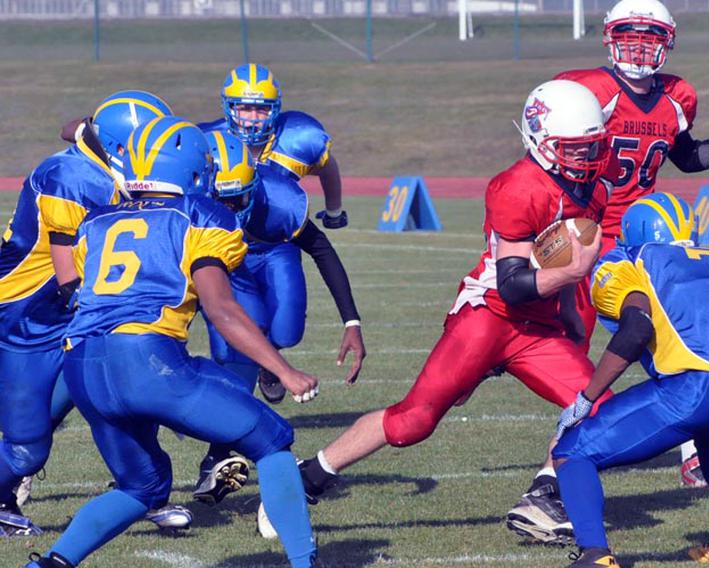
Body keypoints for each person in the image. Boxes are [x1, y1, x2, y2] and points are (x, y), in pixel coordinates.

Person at [266, 79, 613, 545]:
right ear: (539, 140)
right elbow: (512, 286)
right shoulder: (517, 187)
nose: (587, 161)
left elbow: (553, 265)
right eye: (575, 150)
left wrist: (569, 309)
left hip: (539, 325)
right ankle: (309, 475)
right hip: (489, 318)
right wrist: (571, 278)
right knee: (413, 422)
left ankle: (544, 495)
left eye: (592, 148)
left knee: (600, 408)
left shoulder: (595, 190)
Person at [23, 117, 323, 568]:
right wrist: (282, 370)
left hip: (83, 366)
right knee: (272, 440)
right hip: (146, 361)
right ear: (190, 170)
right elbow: (221, 310)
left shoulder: (97, 219)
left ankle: (47, 565)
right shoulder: (201, 215)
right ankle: (306, 563)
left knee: (142, 486)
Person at [555, 0, 709, 491]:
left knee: (672, 341)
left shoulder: (677, 95)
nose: (639, 45)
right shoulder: (588, 90)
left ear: (667, 42)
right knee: (572, 343)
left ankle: (688, 445)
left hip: (647, 242)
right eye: (630, 34)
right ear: (608, 37)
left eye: (650, 36)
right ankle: (567, 441)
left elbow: (686, 157)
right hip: (587, 232)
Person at [552, 193, 709, 567]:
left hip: (700, 391)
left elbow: (636, 329)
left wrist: (586, 398)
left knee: (573, 451)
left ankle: (595, 555)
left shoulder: (630, 260)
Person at [0, 90, 192, 535]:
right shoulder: (71, 176)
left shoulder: (103, 151)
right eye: (148, 143)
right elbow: (69, 276)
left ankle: (144, 491)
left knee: (116, 397)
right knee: (28, 448)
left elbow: (79, 128)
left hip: (74, 312)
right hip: (29, 316)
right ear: (123, 147)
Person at [191, 130, 364, 505]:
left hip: (271, 250)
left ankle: (269, 360)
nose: (231, 208)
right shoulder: (191, 205)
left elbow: (323, 251)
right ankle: (216, 459)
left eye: (238, 198)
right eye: (222, 198)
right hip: (225, 266)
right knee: (238, 358)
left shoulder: (279, 202)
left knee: (286, 329)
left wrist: (352, 321)